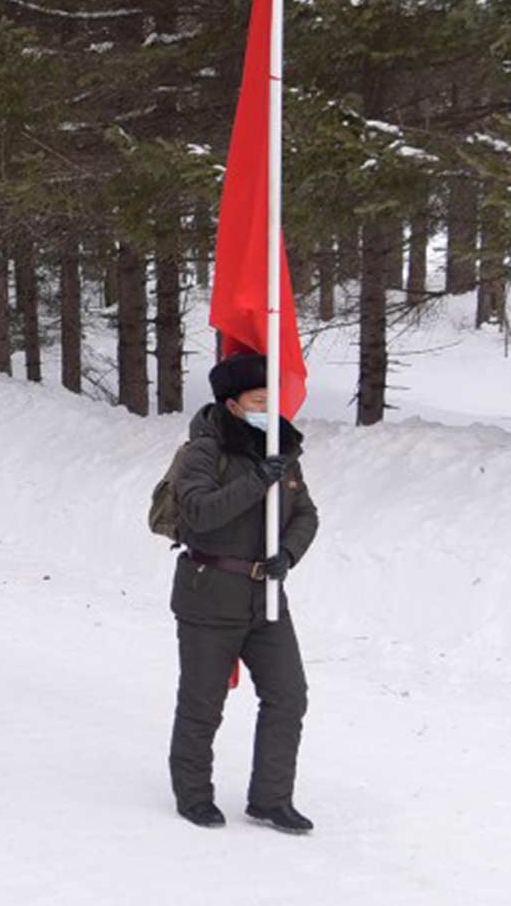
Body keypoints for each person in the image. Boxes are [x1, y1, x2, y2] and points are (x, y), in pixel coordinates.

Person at [168, 352, 318, 834]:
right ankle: (193, 794)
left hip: (267, 598)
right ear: (232, 404)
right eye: (258, 399)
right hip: (210, 594)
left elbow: (306, 514)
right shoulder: (203, 452)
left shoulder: (280, 447)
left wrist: (288, 554)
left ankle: (271, 799)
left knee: (288, 695)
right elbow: (197, 513)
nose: (269, 406)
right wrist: (256, 481)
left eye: (271, 397)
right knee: (202, 702)